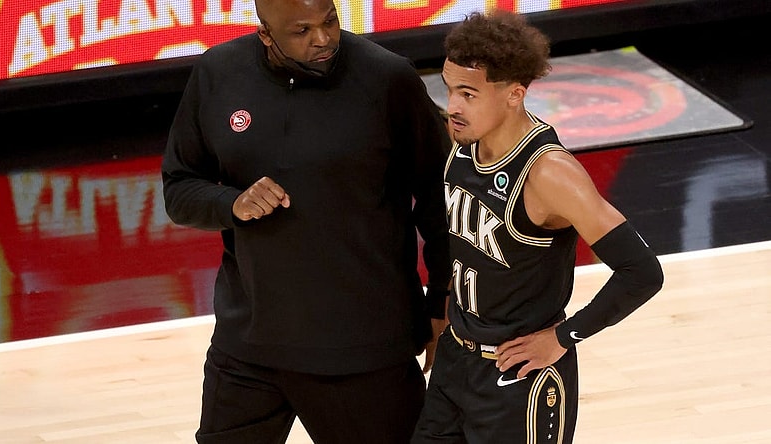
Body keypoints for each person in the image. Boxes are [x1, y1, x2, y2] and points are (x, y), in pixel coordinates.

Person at [160, 0, 452, 442]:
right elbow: (180, 188)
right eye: (301, 31)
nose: (323, 38)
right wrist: (231, 203)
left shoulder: (387, 78)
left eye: (330, 21)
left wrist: (441, 305)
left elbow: (440, 198)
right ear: (266, 34)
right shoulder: (218, 73)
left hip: (362, 351)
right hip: (247, 346)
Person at [411, 11, 664, 444]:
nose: (452, 106)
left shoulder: (550, 175)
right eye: (450, 89)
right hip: (457, 359)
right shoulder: (463, 145)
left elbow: (642, 273)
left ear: (514, 94)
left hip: (519, 374)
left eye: (468, 94)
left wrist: (564, 336)